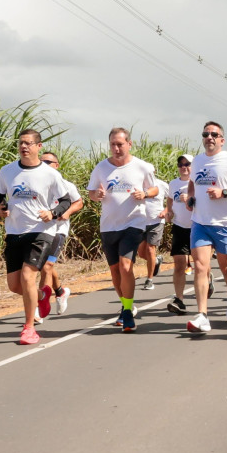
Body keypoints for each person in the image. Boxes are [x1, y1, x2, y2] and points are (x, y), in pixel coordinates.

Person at [0, 129, 71, 345]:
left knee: (28, 276)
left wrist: (52, 213)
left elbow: (66, 201)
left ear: (39, 146)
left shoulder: (50, 174)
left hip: (41, 231)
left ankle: (29, 328)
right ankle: (42, 295)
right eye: (21, 143)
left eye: (28, 143)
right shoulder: (7, 171)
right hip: (14, 232)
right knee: (14, 285)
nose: (24, 147)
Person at [87, 127, 158, 333]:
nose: (116, 148)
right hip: (109, 226)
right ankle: (126, 305)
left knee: (126, 266)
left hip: (133, 223)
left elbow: (154, 190)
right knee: (115, 271)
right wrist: (96, 195)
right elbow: (91, 192)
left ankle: (127, 313)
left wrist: (144, 194)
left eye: (120, 144)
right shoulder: (101, 168)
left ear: (129, 144)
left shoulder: (142, 167)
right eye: (112, 145)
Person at [185, 121, 227, 334]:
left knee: (226, 268)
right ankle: (202, 315)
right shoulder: (197, 160)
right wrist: (190, 197)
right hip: (200, 222)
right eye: (206, 134)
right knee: (201, 266)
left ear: (222, 140)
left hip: (224, 224)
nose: (209, 137)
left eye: (214, 134)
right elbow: (193, 183)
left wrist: (224, 192)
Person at [38, 151, 83, 315]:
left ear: (56, 166)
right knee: (44, 266)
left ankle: (40, 305)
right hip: (41, 230)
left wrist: (68, 212)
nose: (44, 164)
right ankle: (60, 292)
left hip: (59, 229)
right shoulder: (37, 185)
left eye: (48, 162)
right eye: (41, 161)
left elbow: (79, 202)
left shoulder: (66, 185)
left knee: (47, 265)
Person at [165, 155, 194, 315]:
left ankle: (208, 279)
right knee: (179, 264)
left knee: (202, 264)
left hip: (197, 226)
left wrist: (189, 199)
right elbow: (170, 199)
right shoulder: (173, 183)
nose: (184, 167)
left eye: (187, 164)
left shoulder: (198, 182)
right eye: (181, 164)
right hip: (179, 227)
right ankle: (179, 300)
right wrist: (169, 211)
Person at [139, 178, 169, 290]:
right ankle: (156, 261)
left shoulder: (161, 184)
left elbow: (173, 199)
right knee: (141, 253)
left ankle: (149, 280)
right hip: (141, 222)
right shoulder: (138, 183)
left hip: (156, 221)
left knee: (150, 249)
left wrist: (165, 211)